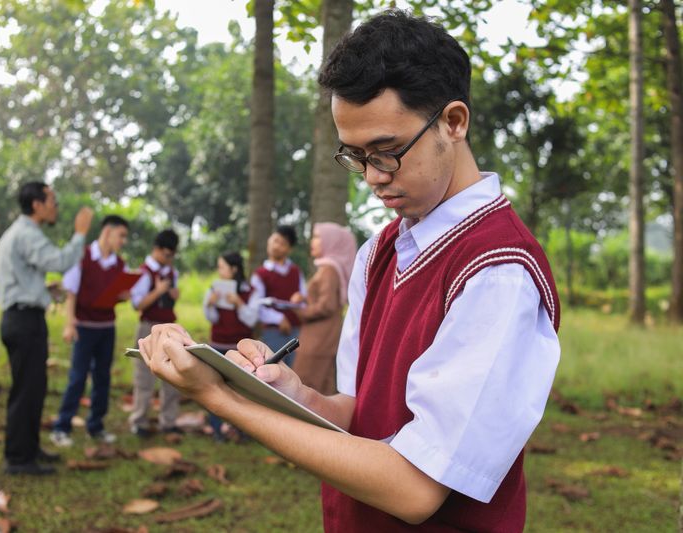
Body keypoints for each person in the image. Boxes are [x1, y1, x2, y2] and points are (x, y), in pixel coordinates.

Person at [136, 10, 561, 532]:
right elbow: (359, 413)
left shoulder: (497, 272)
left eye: (387, 152)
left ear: (454, 121)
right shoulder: (380, 250)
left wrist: (218, 398)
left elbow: (414, 487)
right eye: (355, 156)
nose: (372, 179)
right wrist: (291, 395)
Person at [0, 182, 93, 475]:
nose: (56, 206)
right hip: (24, 322)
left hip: (20, 318)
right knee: (27, 390)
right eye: (52, 200)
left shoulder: (17, 233)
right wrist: (80, 233)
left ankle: (28, 448)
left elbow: (20, 278)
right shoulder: (26, 234)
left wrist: (43, 290)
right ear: (36, 205)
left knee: (32, 388)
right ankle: (19, 459)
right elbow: (61, 261)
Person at [49, 215, 131, 447]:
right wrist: (69, 323)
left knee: (102, 378)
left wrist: (123, 296)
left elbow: (114, 294)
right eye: (121, 235)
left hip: (107, 327)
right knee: (77, 377)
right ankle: (62, 427)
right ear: (107, 232)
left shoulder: (119, 264)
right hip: (84, 327)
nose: (123, 241)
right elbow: (71, 291)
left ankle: (96, 426)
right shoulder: (82, 257)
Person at [291, 223, 356, 395]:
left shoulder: (329, 270)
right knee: (323, 384)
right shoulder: (329, 268)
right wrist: (304, 298)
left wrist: (299, 310)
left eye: (318, 237)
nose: (313, 242)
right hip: (321, 335)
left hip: (318, 338)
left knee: (306, 386)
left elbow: (326, 306)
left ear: (331, 242)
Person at [128, 229, 182, 437]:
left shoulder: (172, 272)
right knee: (144, 377)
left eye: (172, 255)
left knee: (172, 376)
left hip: (169, 327)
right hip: (148, 326)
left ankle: (168, 421)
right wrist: (158, 291)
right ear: (157, 249)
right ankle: (139, 421)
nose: (169, 259)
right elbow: (137, 304)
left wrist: (173, 294)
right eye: (167, 254)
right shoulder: (144, 272)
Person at [202, 251, 258, 440]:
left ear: (233, 269)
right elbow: (211, 318)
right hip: (218, 344)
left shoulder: (249, 290)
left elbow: (251, 320)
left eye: (222, 267)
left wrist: (240, 304)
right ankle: (217, 429)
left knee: (242, 389)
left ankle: (244, 430)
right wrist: (210, 305)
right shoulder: (214, 289)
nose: (219, 271)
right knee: (215, 386)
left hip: (241, 347)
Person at [250, 225, 307, 366]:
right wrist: (278, 318)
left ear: (289, 249)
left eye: (282, 244)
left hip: (296, 332)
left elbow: (304, 299)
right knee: (274, 371)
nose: (277, 246)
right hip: (272, 332)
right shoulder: (260, 274)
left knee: (295, 373)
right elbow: (256, 305)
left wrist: (301, 299)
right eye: (275, 240)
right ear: (269, 241)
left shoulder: (296, 272)